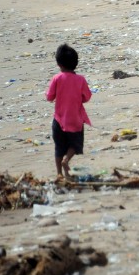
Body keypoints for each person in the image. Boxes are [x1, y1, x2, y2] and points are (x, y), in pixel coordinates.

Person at [46, 44, 93, 179]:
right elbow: (87, 97)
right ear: (75, 63)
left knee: (59, 147)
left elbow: (50, 97)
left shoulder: (57, 78)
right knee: (75, 144)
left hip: (59, 120)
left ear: (59, 64)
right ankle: (67, 160)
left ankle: (59, 173)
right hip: (76, 120)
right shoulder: (80, 80)